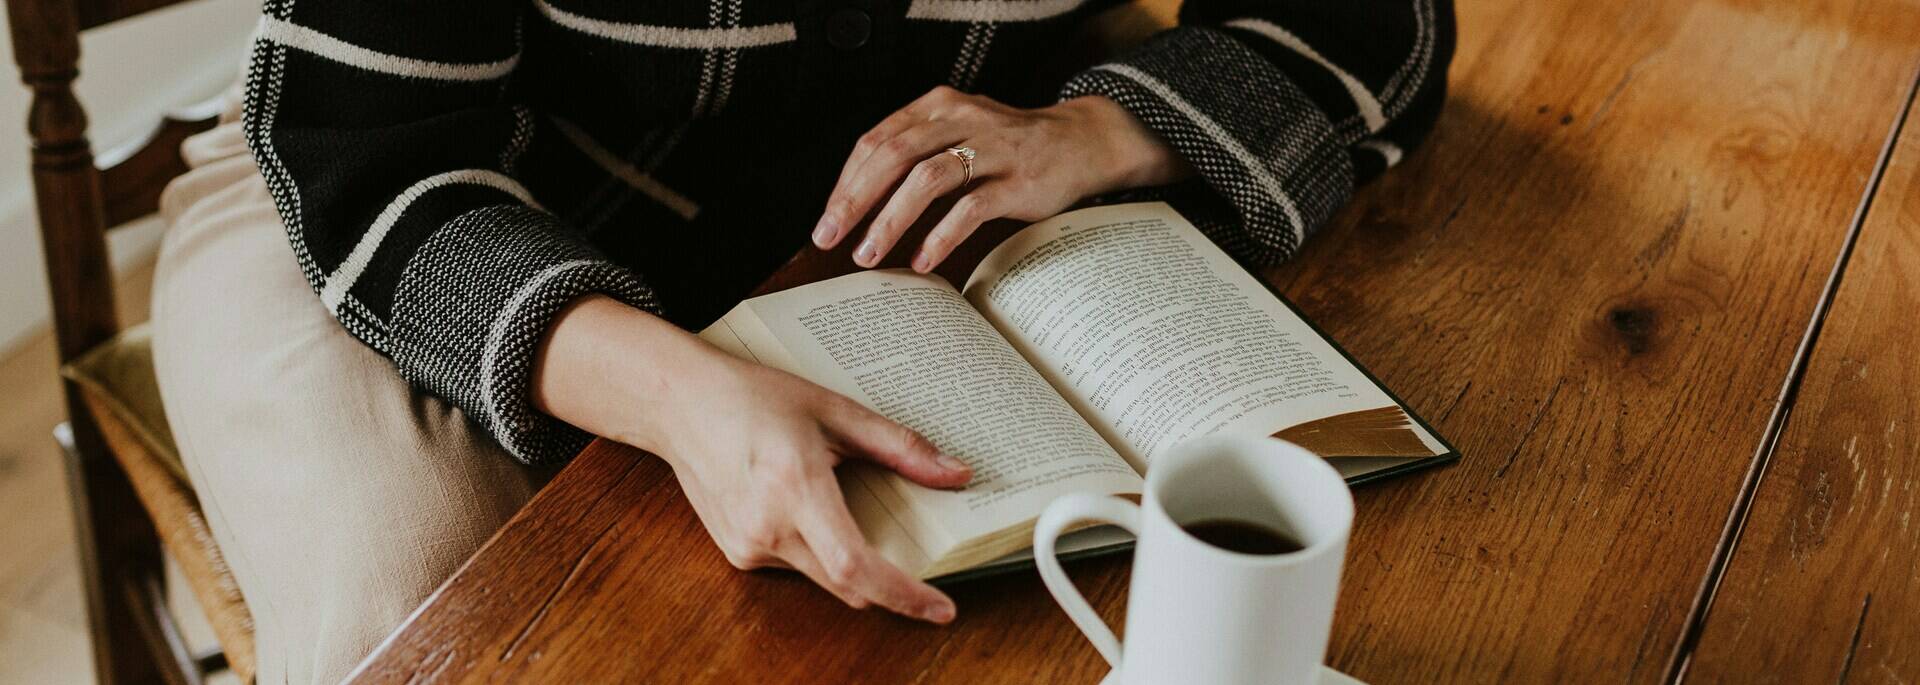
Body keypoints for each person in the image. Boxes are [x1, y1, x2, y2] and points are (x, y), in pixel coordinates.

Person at [151, 0, 1455, 680]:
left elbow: (1369, 20)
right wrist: (679, 392)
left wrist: (1108, 131)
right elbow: (370, 151)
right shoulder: (380, 171)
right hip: (416, 194)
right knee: (439, 622)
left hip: (947, 184)